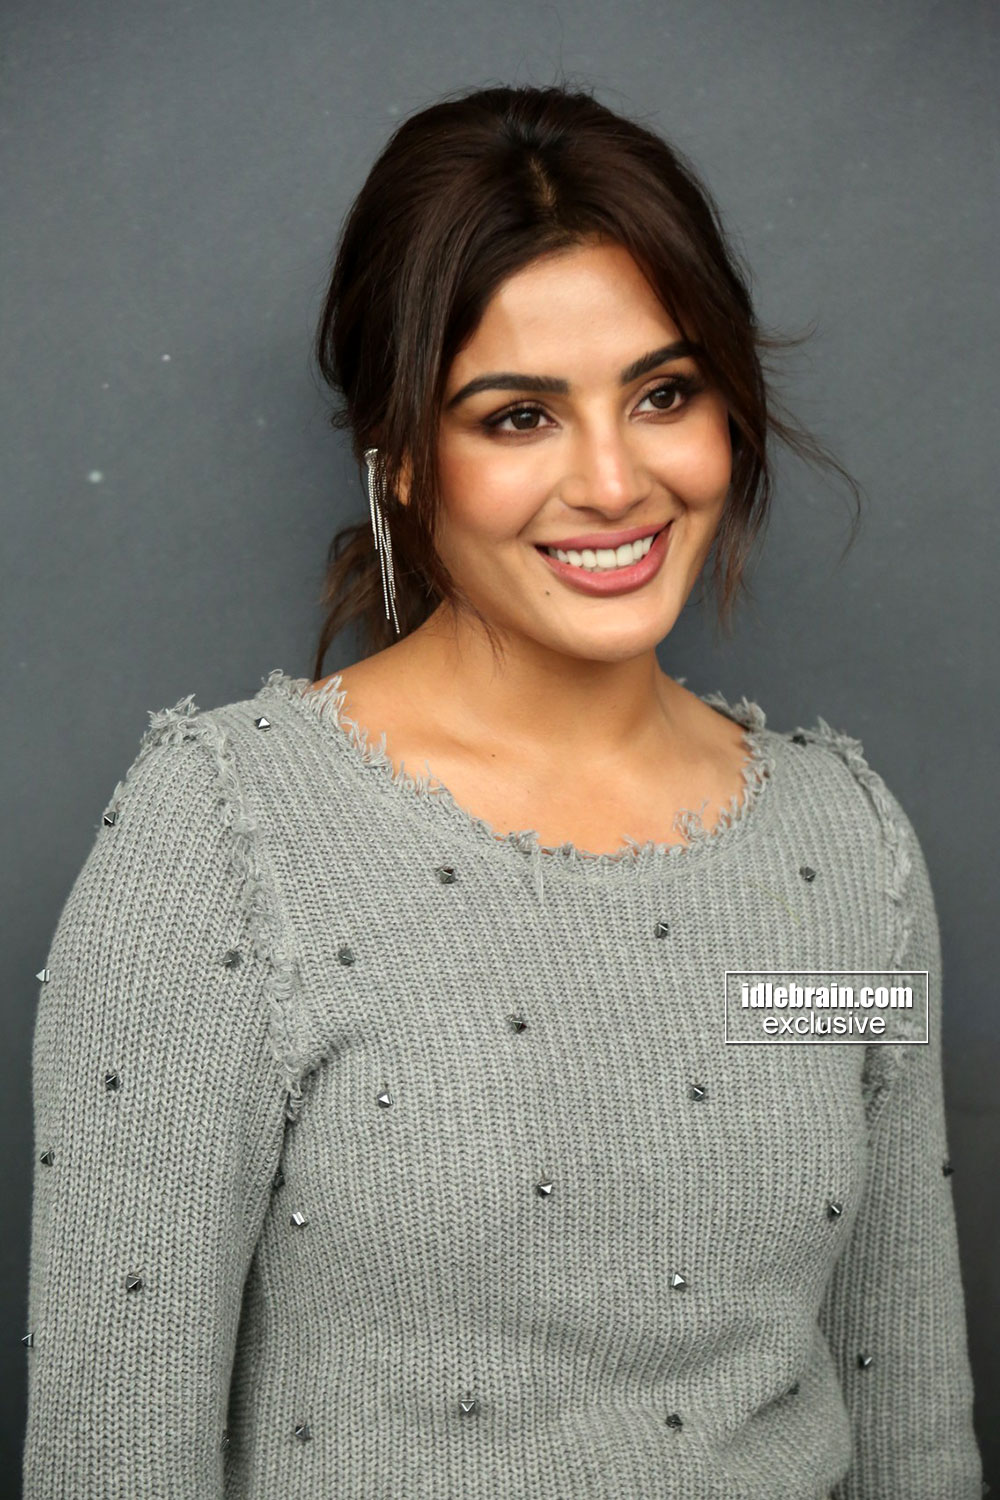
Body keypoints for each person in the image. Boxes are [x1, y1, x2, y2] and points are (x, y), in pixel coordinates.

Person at [23, 83, 981, 1499]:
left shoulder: (846, 847)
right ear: (405, 462)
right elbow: (113, 1455)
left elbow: (909, 1416)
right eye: (519, 416)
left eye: (665, 394)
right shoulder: (225, 835)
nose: (614, 480)